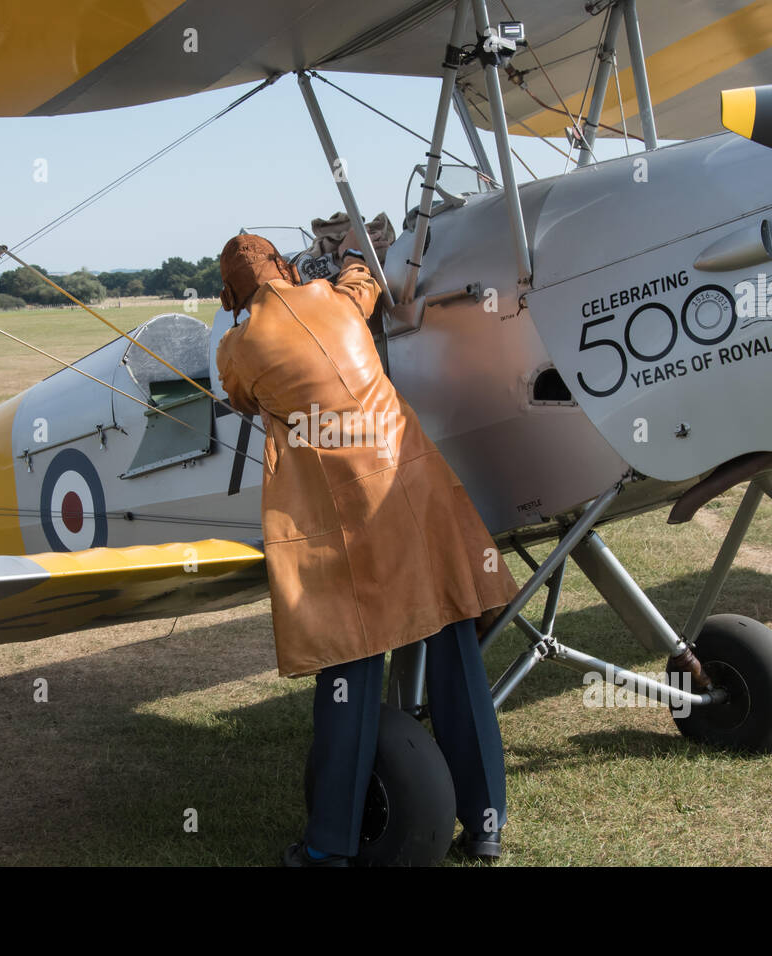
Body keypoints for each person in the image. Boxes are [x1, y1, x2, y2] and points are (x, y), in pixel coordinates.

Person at [214, 232, 518, 866]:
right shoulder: (337, 296)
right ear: (288, 266)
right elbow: (364, 280)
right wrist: (354, 252)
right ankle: (486, 825)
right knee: (457, 656)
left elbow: (240, 394)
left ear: (235, 297)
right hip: (420, 496)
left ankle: (329, 846)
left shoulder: (239, 345)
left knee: (350, 673)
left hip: (353, 522)